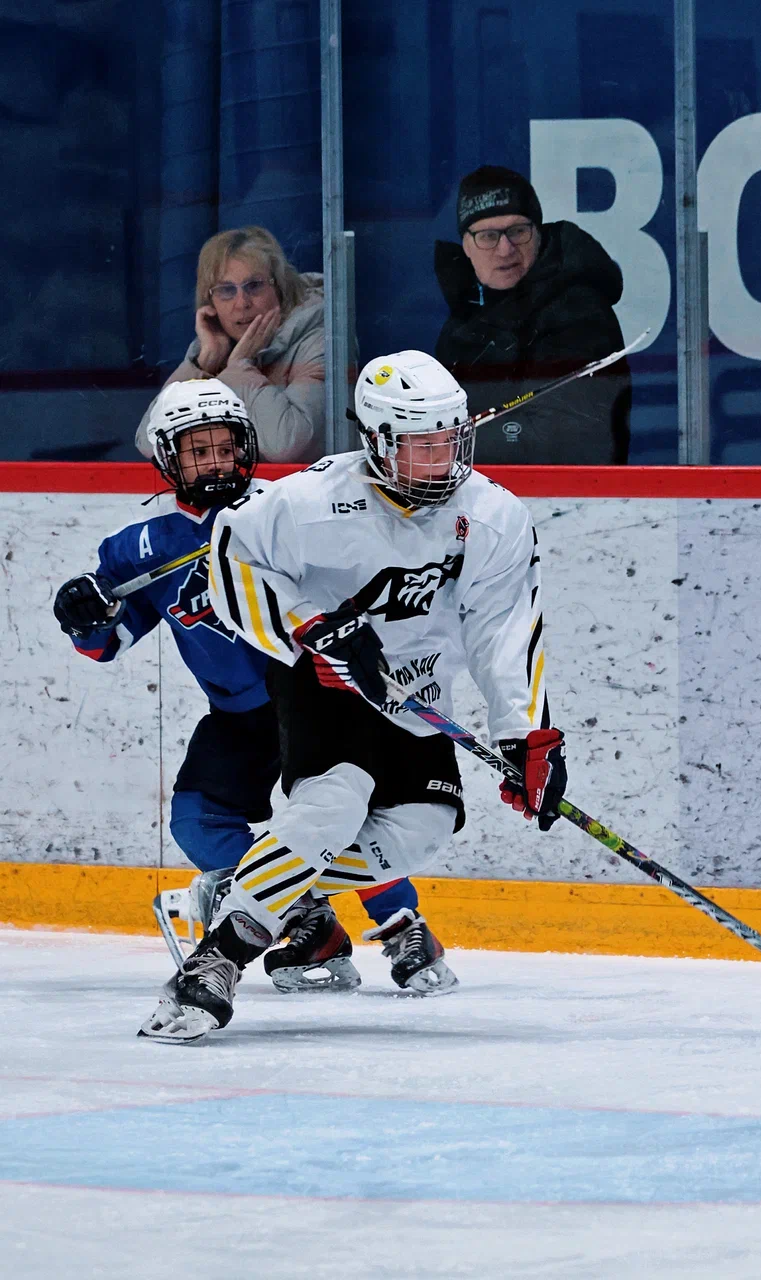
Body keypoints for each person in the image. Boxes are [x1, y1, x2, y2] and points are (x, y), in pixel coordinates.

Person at [137, 350, 568, 1043]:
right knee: (330, 807)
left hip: (416, 694)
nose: (440, 460)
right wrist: (310, 626)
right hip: (325, 682)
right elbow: (230, 559)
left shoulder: (492, 516)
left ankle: (247, 883)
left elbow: (505, 629)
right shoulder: (309, 501)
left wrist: (527, 737)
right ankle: (216, 962)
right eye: (419, 444)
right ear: (376, 439)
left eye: (448, 440)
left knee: (423, 830)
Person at [54, 378, 441, 995]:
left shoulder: (287, 507)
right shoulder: (137, 547)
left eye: (225, 447)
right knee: (197, 821)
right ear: (168, 459)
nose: (215, 462)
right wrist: (84, 616)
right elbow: (106, 644)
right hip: (238, 714)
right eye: (197, 451)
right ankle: (307, 920)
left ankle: (404, 927)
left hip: (316, 700)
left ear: (246, 447)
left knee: (335, 821)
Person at [434, 165, 631, 465]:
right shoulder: (466, 317)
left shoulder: (578, 313)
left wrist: (439, 446)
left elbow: (565, 441)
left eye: (518, 231)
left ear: (538, 233)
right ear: (467, 246)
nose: (505, 249)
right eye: (488, 236)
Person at [135, 226, 325, 464]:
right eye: (226, 290)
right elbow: (151, 444)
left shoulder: (318, 340)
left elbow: (286, 445)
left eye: (254, 286)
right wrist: (203, 363)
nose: (242, 303)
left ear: (279, 288)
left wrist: (240, 367)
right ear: (210, 301)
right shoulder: (215, 344)